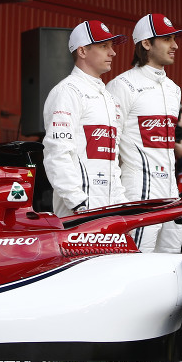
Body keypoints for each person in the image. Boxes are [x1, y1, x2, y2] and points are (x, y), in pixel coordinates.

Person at [107, 13, 182, 252]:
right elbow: (109, 145)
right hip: (138, 190)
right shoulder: (122, 85)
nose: (175, 45)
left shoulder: (174, 89)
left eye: (175, 39)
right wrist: (118, 197)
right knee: (138, 263)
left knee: (171, 264)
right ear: (146, 43)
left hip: (171, 190)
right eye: (167, 39)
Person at [41, 19, 125, 217]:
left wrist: (121, 207)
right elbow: (57, 153)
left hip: (109, 210)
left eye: (111, 46)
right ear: (82, 51)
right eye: (104, 46)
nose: (112, 52)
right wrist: (79, 203)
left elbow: (112, 161)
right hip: (80, 211)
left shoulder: (107, 97)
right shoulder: (67, 92)